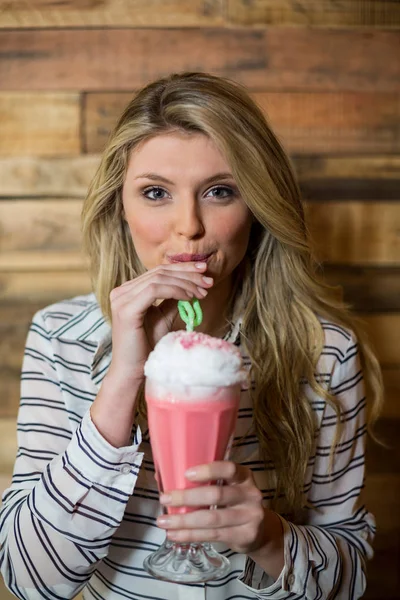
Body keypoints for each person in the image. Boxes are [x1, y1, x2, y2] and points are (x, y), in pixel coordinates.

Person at [0, 72, 383, 600]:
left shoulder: (325, 353)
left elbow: (349, 581)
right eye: (155, 192)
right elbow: (29, 580)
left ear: (258, 207)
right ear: (120, 207)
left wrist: (269, 538)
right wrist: (124, 376)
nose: (189, 226)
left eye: (220, 191)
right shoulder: (61, 339)